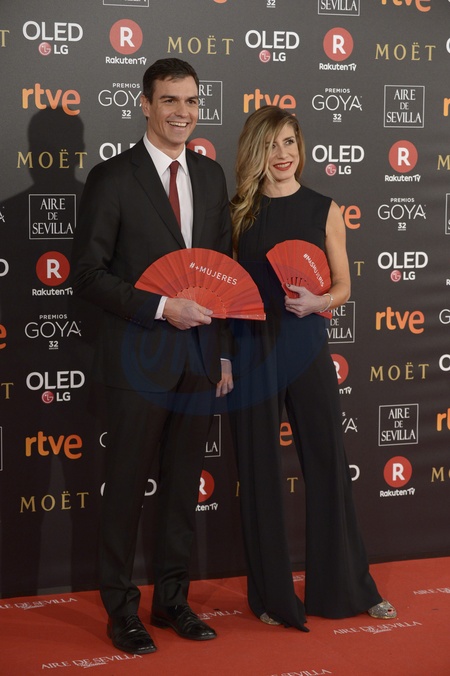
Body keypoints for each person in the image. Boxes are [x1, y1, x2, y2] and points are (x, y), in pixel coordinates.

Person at [71, 58, 233, 655]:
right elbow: (87, 275)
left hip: (198, 360)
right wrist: (162, 307)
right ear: (145, 104)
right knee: (123, 492)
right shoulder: (113, 177)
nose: (182, 113)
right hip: (137, 360)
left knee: (181, 489)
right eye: (169, 100)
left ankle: (171, 601)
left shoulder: (211, 176)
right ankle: (121, 611)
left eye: (191, 101)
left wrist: (221, 356)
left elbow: (221, 273)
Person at [229, 105, 396, 631]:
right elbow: (224, 290)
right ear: (255, 151)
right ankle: (272, 597)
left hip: (306, 345)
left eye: (289, 143)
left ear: (300, 148)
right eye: (271, 145)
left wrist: (320, 301)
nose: (282, 154)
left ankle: (347, 587)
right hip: (252, 349)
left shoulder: (325, 208)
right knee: (260, 471)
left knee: (328, 463)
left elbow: (344, 285)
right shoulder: (237, 212)